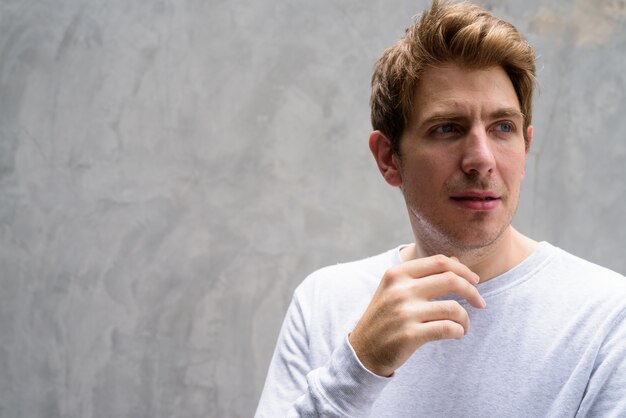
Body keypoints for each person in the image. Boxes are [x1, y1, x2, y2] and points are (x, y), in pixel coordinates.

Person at [255, 1, 626, 416]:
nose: (481, 158)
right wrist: (359, 367)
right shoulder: (324, 303)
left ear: (526, 146)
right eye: (447, 128)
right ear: (389, 159)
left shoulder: (607, 317)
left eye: (503, 127)